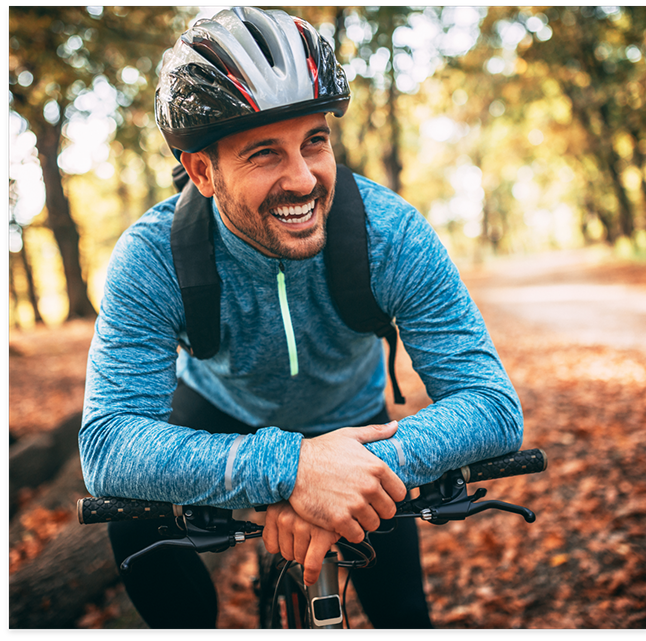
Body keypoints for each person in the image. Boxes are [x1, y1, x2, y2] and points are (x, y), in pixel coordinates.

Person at [79, 6, 523, 629]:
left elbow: (492, 405)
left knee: (403, 614)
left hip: (357, 427)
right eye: (264, 153)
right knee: (132, 524)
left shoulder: (390, 235)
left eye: (315, 141)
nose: (303, 178)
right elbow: (107, 444)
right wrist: (290, 471)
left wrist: (341, 475)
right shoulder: (153, 257)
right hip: (222, 416)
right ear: (202, 170)